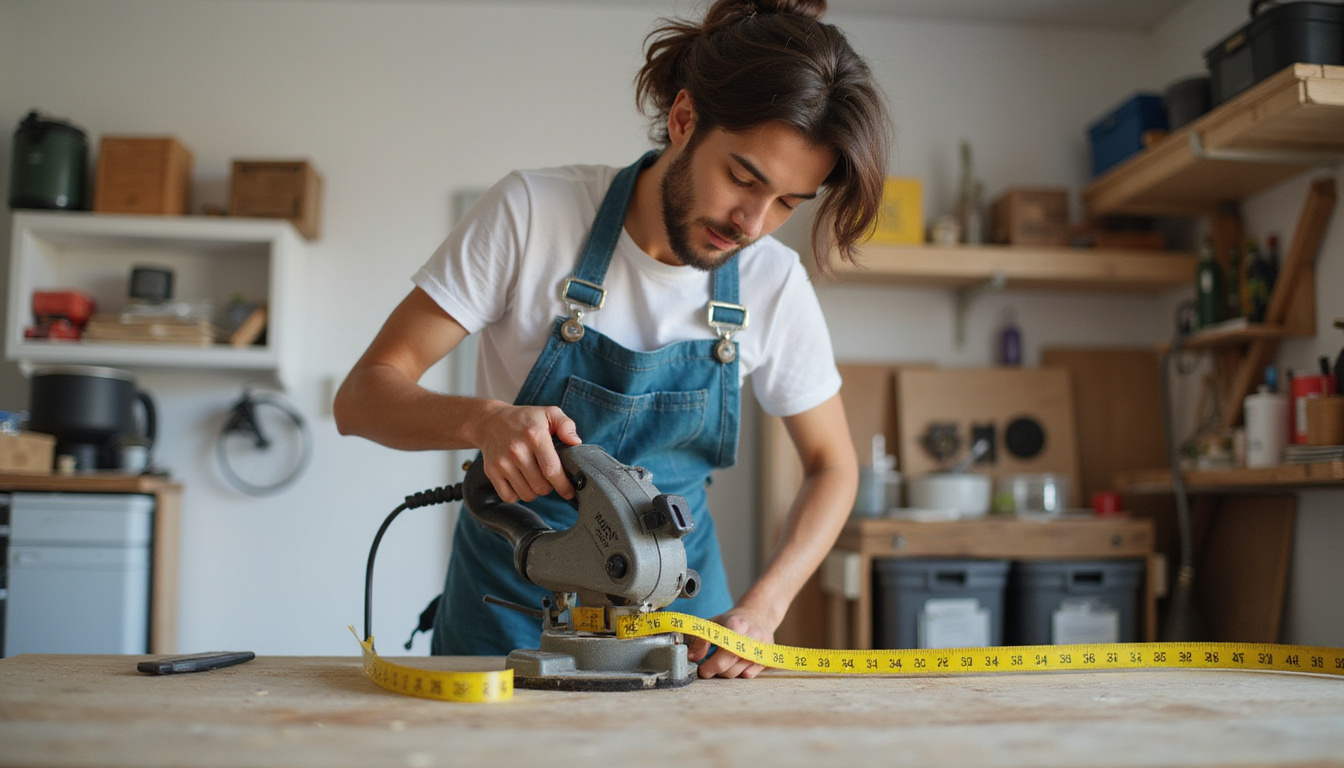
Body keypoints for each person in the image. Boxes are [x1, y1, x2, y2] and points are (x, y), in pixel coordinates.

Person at [334, 0, 890, 679]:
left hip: (681, 633)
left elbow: (834, 466)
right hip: (506, 616)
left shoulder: (773, 283)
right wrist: (485, 422)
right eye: (744, 179)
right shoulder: (533, 216)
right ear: (684, 120)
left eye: (787, 204)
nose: (752, 221)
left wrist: (765, 608)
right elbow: (362, 396)